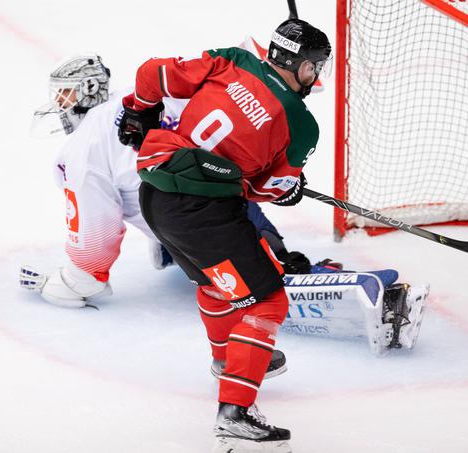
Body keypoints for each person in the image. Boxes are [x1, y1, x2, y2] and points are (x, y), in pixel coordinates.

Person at [18, 53, 308, 379]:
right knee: (256, 253)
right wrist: (279, 179)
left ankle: (263, 317)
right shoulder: (131, 96)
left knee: (260, 287)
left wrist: (68, 283)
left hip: (184, 218)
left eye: (66, 94)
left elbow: (94, 240)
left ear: (88, 89)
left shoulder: (81, 151)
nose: (60, 104)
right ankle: (276, 265)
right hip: (225, 195)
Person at [117, 18, 332, 452]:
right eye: (316, 67)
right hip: (204, 213)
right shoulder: (302, 126)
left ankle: (226, 358)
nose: (317, 76)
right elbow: (258, 190)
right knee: (268, 300)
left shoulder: (231, 61)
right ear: (302, 65)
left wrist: (139, 108)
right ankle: (236, 413)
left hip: (155, 196)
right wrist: (287, 191)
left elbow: (151, 75)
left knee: (216, 284)